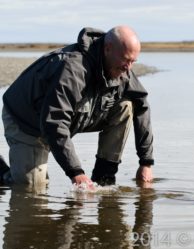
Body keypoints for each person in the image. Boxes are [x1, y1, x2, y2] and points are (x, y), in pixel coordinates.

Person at [0, 26, 154, 187]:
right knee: (31, 186)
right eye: (126, 60)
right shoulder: (73, 69)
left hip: (73, 117)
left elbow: (142, 107)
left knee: (125, 106)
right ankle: (2, 174)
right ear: (108, 49)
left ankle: (104, 177)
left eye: (133, 61)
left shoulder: (122, 68)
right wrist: (76, 172)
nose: (128, 68)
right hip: (27, 121)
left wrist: (146, 162)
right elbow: (55, 123)